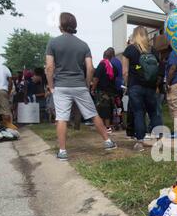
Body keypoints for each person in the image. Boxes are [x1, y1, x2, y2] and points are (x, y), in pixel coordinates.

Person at [45, 12, 117, 161]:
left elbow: (49, 68)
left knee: (62, 118)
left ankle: (63, 151)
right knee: (93, 114)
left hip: (61, 86)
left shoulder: (53, 43)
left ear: (61, 25)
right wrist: (86, 84)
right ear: (74, 25)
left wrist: (51, 86)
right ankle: (108, 142)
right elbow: (90, 68)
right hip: (79, 85)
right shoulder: (83, 45)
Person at [122, 26, 162, 151]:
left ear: (134, 36)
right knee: (153, 112)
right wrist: (156, 85)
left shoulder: (130, 49)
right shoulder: (153, 51)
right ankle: (159, 140)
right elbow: (158, 71)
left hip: (135, 86)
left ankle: (140, 142)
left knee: (138, 112)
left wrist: (127, 85)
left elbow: (125, 72)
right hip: (150, 87)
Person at [91, 48, 118, 132]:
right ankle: (108, 127)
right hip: (111, 92)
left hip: (102, 91)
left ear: (104, 56)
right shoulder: (113, 67)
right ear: (111, 57)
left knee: (102, 109)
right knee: (108, 110)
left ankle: (104, 127)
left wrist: (93, 88)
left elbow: (96, 78)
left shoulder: (102, 65)